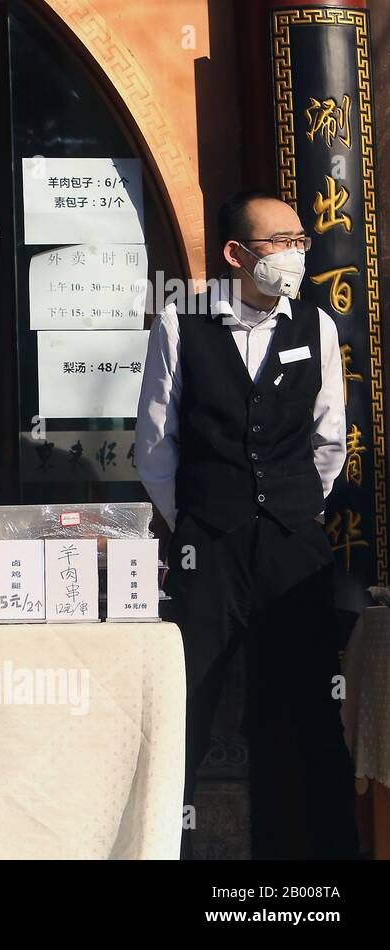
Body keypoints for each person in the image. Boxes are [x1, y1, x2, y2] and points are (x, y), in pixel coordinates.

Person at [135, 191, 357, 858]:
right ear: (236, 254)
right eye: (278, 242)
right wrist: (201, 524)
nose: (294, 254)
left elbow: (329, 444)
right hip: (210, 550)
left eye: (300, 241)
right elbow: (154, 446)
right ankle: (164, 847)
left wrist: (290, 515)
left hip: (294, 549)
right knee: (188, 710)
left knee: (303, 710)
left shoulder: (314, 326)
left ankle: (309, 863)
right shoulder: (182, 323)